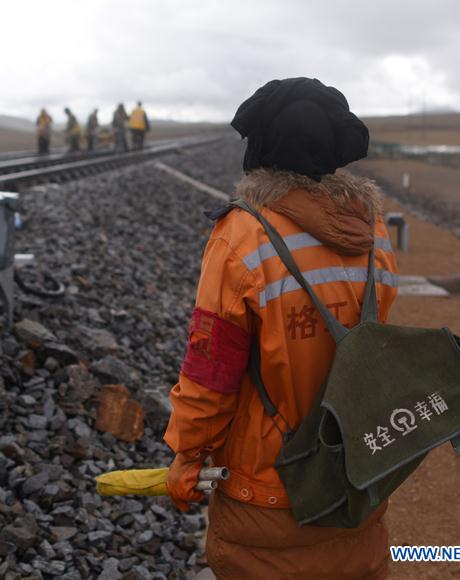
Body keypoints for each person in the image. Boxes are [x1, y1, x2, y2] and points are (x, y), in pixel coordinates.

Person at [164, 77, 399, 579]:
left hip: (268, 492)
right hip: (357, 474)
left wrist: (188, 456)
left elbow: (211, 374)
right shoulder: (373, 232)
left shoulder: (242, 237)